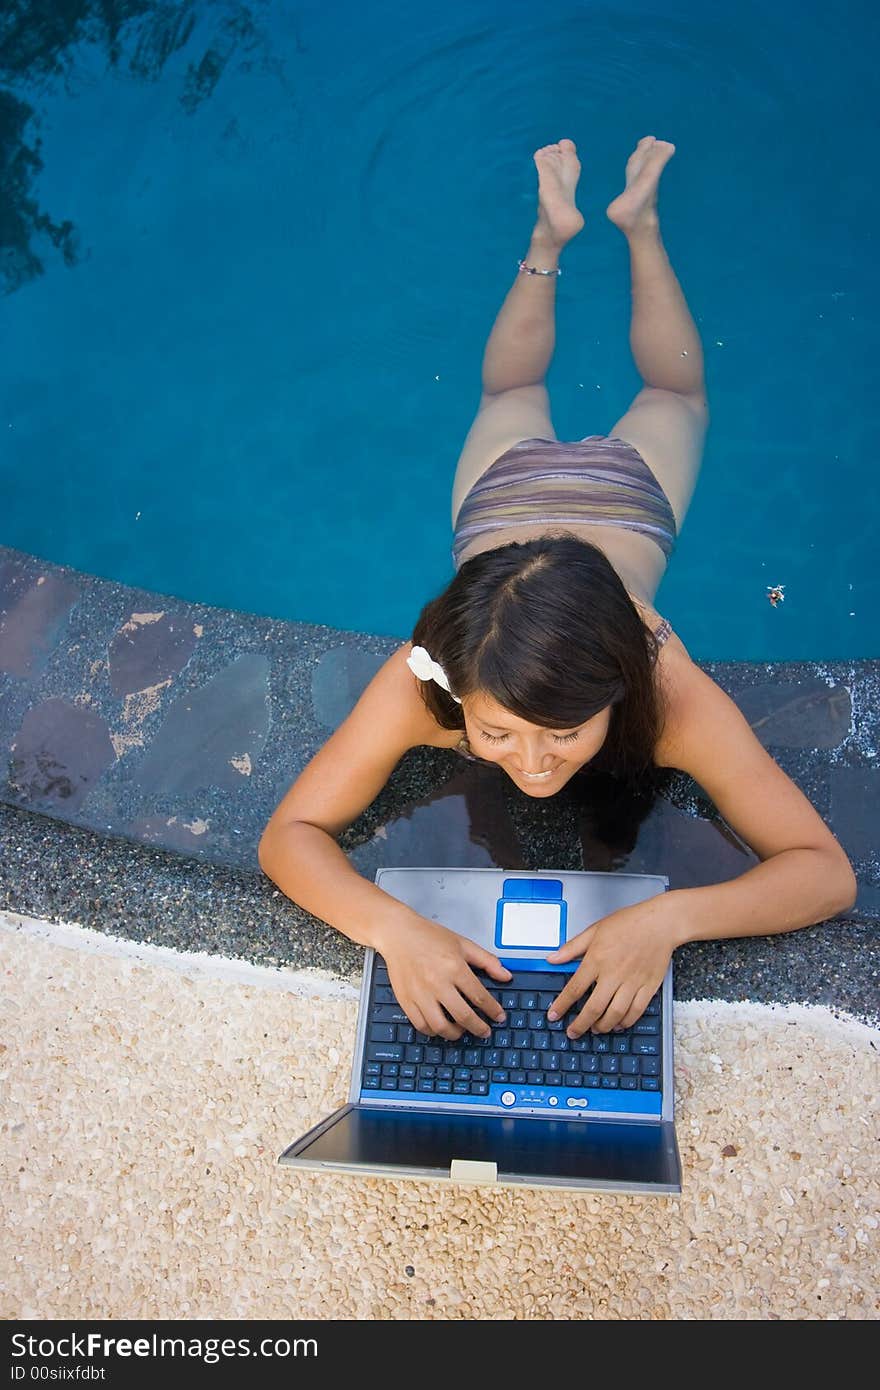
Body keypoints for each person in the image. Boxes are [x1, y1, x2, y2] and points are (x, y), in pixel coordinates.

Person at [259, 136, 856, 1046]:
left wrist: (670, 920)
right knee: (640, 389)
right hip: (506, 498)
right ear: (459, 691)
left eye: (564, 732)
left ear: (618, 683)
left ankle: (630, 226)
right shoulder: (432, 677)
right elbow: (287, 833)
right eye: (496, 733)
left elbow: (828, 874)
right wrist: (393, 929)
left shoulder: (667, 686)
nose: (533, 766)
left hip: (622, 497)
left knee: (583, 385)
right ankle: (562, 231)